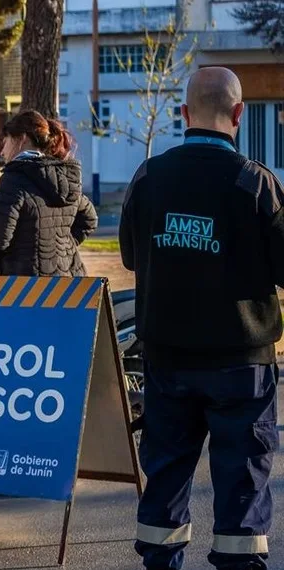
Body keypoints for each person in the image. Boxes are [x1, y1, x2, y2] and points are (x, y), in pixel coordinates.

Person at [120, 67, 284, 570]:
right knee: (242, 479)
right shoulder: (254, 182)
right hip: (241, 365)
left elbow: (130, 255)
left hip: (166, 361)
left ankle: (160, 560)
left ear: (184, 112)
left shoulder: (149, 176)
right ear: (239, 113)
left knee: (166, 473)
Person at [0, 110, 98, 276]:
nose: (2, 152)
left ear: (22, 139)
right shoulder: (64, 177)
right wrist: (61, 248)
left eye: (5, 142)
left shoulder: (13, 180)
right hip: (69, 280)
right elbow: (89, 219)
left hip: (25, 284)